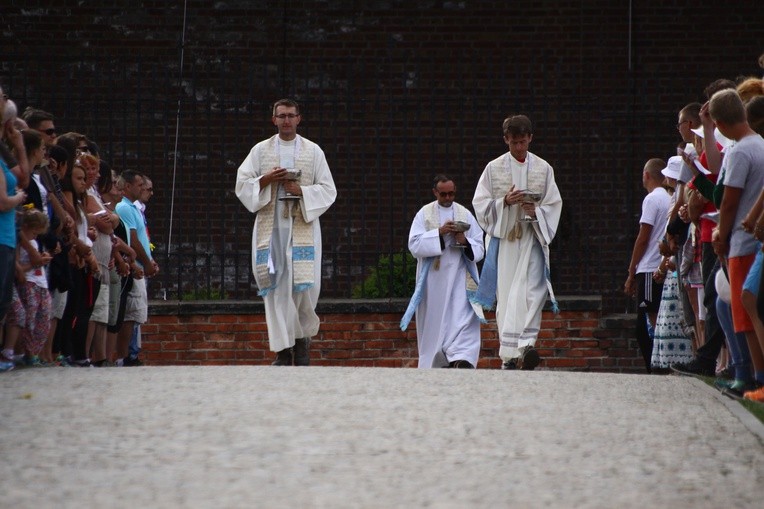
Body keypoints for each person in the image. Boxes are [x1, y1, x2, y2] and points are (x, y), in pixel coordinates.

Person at [235, 98, 337, 366]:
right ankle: (282, 350)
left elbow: (328, 190)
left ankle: (302, 344)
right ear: (274, 119)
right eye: (281, 116)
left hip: (303, 225)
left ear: (299, 118)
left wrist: (300, 191)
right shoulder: (260, 150)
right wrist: (267, 179)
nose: (286, 120)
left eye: (291, 115)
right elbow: (242, 185)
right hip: (272, 230)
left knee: (305, 289)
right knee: (276, 288)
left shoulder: (314, 151)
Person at [472, 114, 562, 370]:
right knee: (509, 294)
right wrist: (505, 202)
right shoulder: (493, 168)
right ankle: (510, 355)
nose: (519, 148)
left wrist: (536, 211)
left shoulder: (544, 169)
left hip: (532, 237)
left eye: (523, 142)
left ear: (530, 138)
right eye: (514, 143)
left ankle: (527, 345)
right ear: (506, 140)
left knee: (534, 291)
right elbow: (480, 204)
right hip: (506, 241)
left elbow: (553, 204)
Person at [710, 89, 764, 402]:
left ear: (719, 123)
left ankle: (751, 378)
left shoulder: (741, 152)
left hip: (742, 242)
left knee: (744, 315)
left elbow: (730, 202)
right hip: (756, 238)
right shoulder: (760, 143)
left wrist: (721, 234)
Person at [401, 175, 485, 368]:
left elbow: (480, 246)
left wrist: (463, 240)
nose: (448, 198)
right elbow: (414, 245)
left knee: (462, 319)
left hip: (460, 278)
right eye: (444, 194)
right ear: (435, 193)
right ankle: (438, 363)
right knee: (437, 324)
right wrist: (439, 233)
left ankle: (460, 359)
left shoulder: (464, 214)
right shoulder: (424, 214)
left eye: (451, 194)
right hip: (434, 281)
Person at [624, 158, 671, 373]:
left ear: (647, 175)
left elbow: (643, 237)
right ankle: (657, 365)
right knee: (644, 325)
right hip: (661, 264)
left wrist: (632, 269)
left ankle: (657, 366)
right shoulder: (670, 197)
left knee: (651, 321)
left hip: (650, 267)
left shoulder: (652, 199)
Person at [115, 170, 156, 367]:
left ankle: (130, 354)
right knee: (130, 315)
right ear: (128, 186)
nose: (142, 188)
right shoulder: (124, 208)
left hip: (140, 264)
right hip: (135, 267)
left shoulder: (134, 208)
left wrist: (150, 259)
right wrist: (145, 263)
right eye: (139, 185)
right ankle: (124, 356)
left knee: (136, 315)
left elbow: (143, 238)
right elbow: (133, 240)